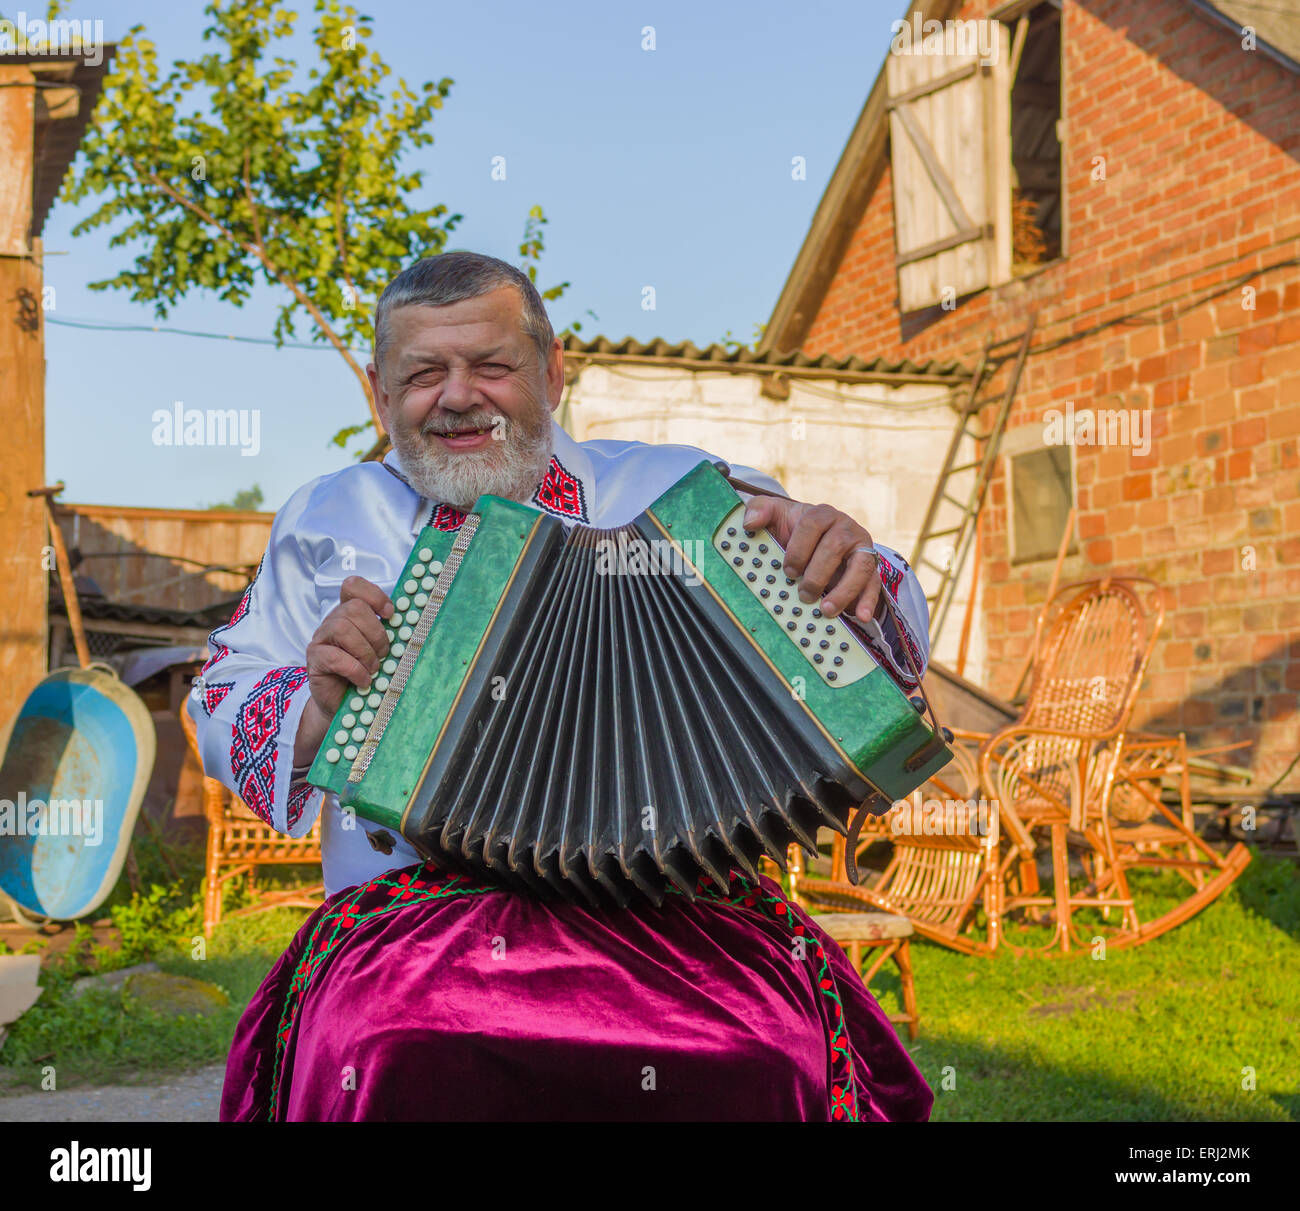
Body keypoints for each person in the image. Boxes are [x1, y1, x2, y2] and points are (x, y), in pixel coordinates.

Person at [191, 250, 935, 1122]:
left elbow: (873, 626)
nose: (458, 396)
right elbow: (219, 692)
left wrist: (846, 561)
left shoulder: (682, 493)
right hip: (407, 924)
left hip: (684, 912)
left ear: (552, 372)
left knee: (769, 1049)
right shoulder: (326, 516)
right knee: (382, 1042)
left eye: (492, 366)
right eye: (424, 372)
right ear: (379, 390)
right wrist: (316, 708)